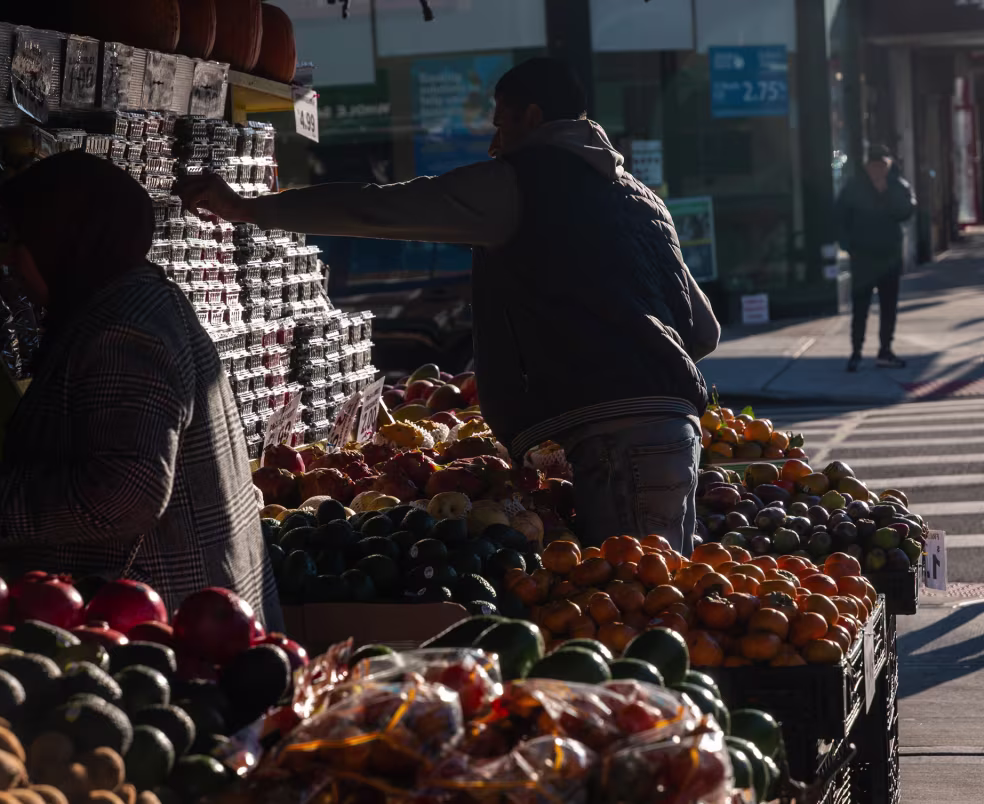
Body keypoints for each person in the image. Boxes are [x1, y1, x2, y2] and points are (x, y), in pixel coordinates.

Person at [177, 57, 720, 553]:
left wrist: (246, 207)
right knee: (654, 591)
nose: (493, 144)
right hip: (671, 429)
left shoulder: (520, 183)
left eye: (500, 125)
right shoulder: (643, 200)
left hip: (615, 436)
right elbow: (703, 331)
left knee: (637, 603)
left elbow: (381, 209)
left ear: (531, 116)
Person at [0, 151, 281, 628]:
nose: (10, 260)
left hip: (162, 620)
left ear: (63, 242)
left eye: (21, 241)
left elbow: (126, 493)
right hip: (192, 609)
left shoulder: (123, 332)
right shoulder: (135, 302)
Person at [836, 144, 917, 372]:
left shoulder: (897, 185)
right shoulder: (854, 188)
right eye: (874, 166)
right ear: (866, 167)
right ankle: (856, 352)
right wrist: (848, 246)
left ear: (889, 166)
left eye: (883, 165)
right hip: (862, 256)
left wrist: (888, 192)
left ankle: (885, 351)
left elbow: (906, 212)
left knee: (888, 306)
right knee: (860, 307)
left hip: (889, 255)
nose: (878, 170)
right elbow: (840, 217)